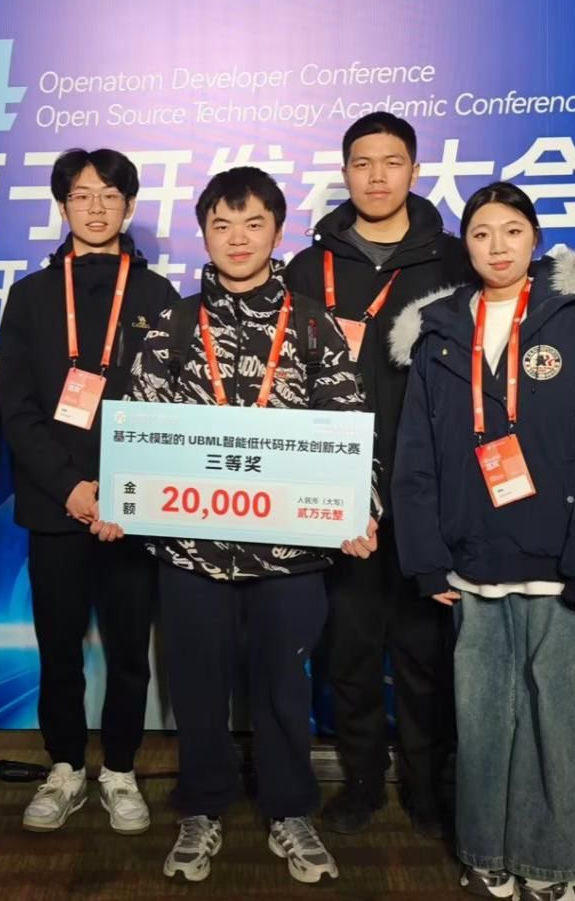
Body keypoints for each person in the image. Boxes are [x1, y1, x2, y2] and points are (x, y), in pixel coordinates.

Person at [102, 166, 376, 884]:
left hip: (292, 553)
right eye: (221, 225)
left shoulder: (313, 324)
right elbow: (139, 426)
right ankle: (202, 807)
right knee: (197, 687)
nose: (238, 238)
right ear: (204, 234)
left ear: (278, 231)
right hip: (192, 550)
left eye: (253, 223)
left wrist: (359, 510)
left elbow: (351, 426)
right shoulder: (174, 324)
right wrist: (120, 499)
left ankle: (291, 810)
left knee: (285, 689)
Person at [389, 181, 575, 901]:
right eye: (481, 233)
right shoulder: (441, 331)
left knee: (553, 718)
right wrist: (427, 558)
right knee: (481, 718)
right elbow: (416, 456)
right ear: (465, 246)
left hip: (559, 562)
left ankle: (553, 863)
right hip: (473, 562)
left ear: (534, 240)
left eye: (511, 231)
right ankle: (485, 853)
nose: (496, 246)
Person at [285, 111, 468, 836]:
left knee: (426, 651)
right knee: (350, 650)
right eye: (363, 163)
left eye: (392, 162)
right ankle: (361, 782)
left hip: (430, 489)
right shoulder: (309, 268)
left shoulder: (453, 262)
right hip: (336, 492)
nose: (378, 176)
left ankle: (427, 784)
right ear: (345, 173)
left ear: (415, 172)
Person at [0, 148, 178, 835]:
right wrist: (71, 486)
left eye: (109, 195)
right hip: (55, 504)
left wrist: (125, 495)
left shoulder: (158, 295)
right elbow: (16, 407)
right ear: (63, 205)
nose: (96, 207)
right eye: (81, 195)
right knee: (59, 648)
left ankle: (121, 769)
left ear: (128, 206)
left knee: (130, 649)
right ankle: (66, 766)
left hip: (132, 512)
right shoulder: (30, 297)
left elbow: (171, 408)